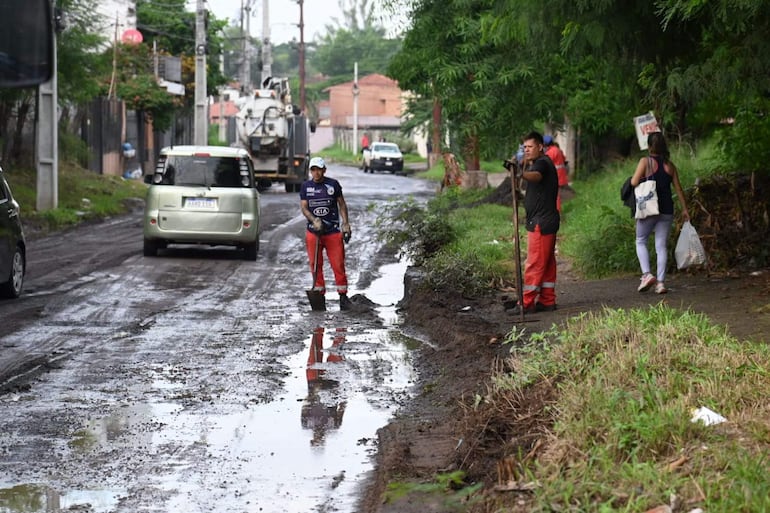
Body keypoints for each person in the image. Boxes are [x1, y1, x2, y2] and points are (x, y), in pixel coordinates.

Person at [630, 131, 690, 294]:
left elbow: (634, 181)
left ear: (649, 147)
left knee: (641, 239)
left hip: (649, 208)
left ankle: (647, 274)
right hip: (666, 210)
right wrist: (685, 209)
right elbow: (678, 189)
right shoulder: (670, 166)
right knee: (661, 246)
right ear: (664, 147)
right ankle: (661, 283)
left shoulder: (645, 161)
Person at [510, 131, 561, 315]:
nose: (527, 150)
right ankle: (547, 300)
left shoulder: (542, 164)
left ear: (540, 147)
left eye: (530, 147)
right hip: (545, 220)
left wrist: (520, 174)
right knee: (546, 263)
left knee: (534, 262)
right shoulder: (539, 163)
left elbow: (536, 176)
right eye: (524, 147)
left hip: (541, 222)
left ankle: (527, 302)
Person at [299, 157, 353, 310]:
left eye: (319, 169)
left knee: (338, 263)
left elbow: (342, 204)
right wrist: (313, 220)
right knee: (315, 265)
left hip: (332, 232)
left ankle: (343, 296)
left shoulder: (333, 185)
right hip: (314, 233)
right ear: (310, 171)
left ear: (324, 170)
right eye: (313, 170)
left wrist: (346, 223)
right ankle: (319, 295)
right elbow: (304, 207)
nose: (316, 173)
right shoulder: (306, 187)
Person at [543, 135, 569, 211]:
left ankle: (556, 211)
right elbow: (564, 159)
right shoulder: (557, 150)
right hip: (560, 175)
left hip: (555, 176)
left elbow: (545, 163)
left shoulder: (551, 152)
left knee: (554, 195)